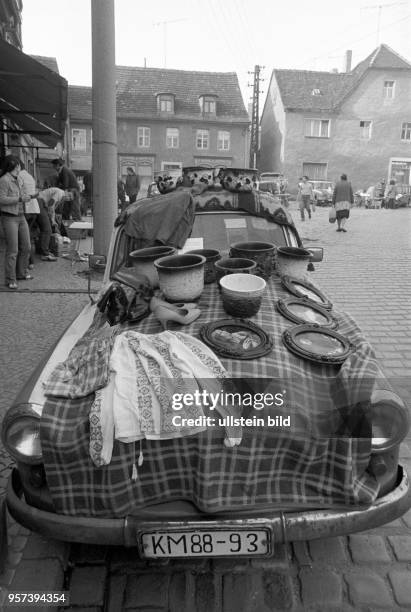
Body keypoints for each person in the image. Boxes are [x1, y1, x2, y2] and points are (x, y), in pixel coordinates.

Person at [0, 156, 33, 289]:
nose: (20, 168)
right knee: (12, 250)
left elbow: (22, 194)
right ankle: (10, 279)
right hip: (9, 217)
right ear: (13, 165)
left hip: (21, 216)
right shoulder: (3, 180)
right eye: (19, 165)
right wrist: (19, 198)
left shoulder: (18, 179)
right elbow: (1, 199)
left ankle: (21, 273)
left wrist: (27, 196)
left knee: (27, 247)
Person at [36, 187, 67, 260]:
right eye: (69, 195)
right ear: (66, 190)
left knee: (43, 229)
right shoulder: (60, 193)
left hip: (39, 203)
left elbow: (52, 208)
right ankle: (45, 254)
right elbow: (50, 204)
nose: (68, 198)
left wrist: (53, 219)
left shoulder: (60, 196)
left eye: (70, 199)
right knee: (47, 230)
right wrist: (52, 220)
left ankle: (41, 250)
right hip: (39, 202)